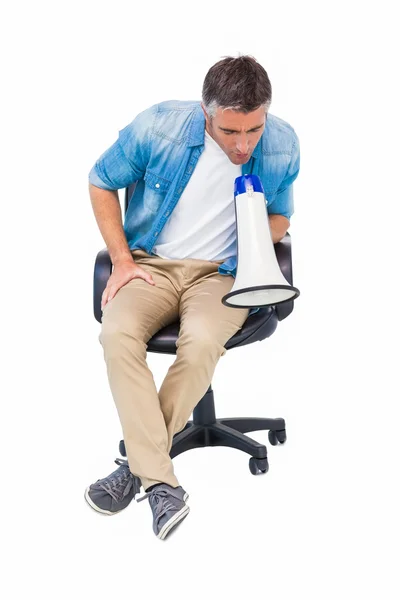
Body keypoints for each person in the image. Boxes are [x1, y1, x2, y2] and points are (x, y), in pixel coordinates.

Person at [85, 54, 300, 540]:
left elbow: (282, 215)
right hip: (153, 264)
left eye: (254, 130)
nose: (243, 144)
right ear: (207, 114)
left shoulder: (283, 142)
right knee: (116, 334)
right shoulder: (158, 128)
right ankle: (159, 479)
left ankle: (139, 471)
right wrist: (122, 260)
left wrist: (255, 243)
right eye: (230, 132)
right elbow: (101, 180)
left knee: (202, 340)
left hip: (222, 274)